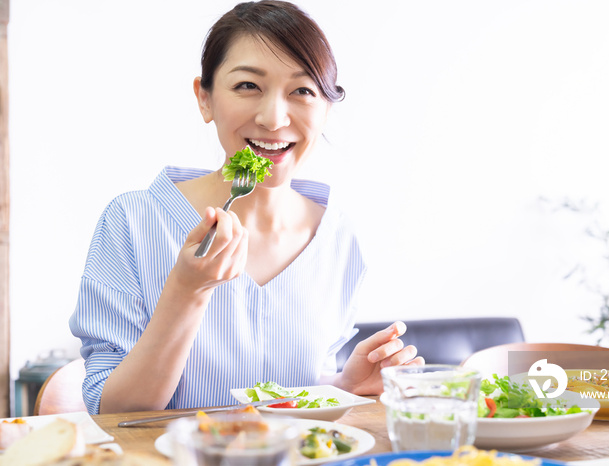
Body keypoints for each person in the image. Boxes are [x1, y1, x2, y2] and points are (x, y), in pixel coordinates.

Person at [69, 0, 423, 415]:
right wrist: (186, 291)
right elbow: (114, 412)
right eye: (247, 86)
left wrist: (342, 386)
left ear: (326, 108)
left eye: (303, 91)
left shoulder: (339, 238)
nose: (274, 119)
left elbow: (291, 393)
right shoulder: (132, 222)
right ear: (204, 98)